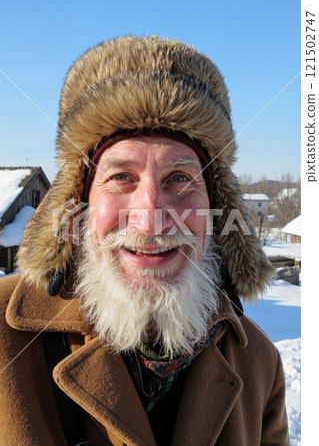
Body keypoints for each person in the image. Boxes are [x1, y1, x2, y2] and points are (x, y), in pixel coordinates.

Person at [0, 35, 289, 445]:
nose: (152, 216)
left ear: (216, 202)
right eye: (121, 178)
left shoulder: (259, 364)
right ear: (78, 199)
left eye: (180, 179)